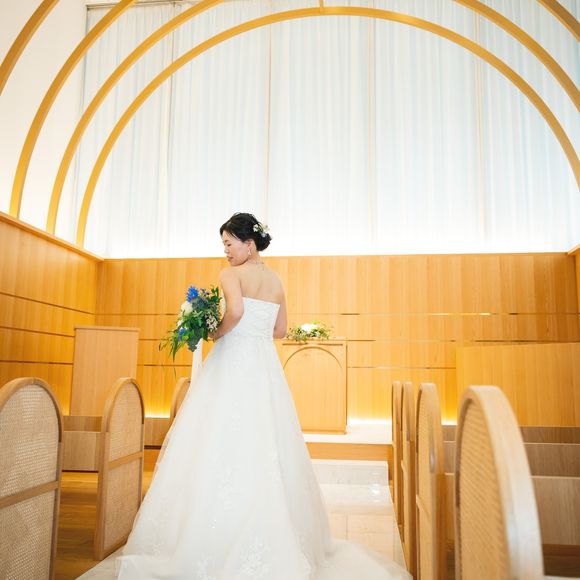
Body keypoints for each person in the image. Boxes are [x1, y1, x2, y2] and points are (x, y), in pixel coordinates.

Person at [116, 213, 410, 579]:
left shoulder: (230, 275)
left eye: (229, 243)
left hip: (232, 364)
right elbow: (281, 330)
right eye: (223, 245)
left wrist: (216, 332)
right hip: (264, 367)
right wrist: (253, 332)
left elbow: (236, 311)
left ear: (249, 243)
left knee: (218, 439)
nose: (225, 251)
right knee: (266, 441)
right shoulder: (275, 280)